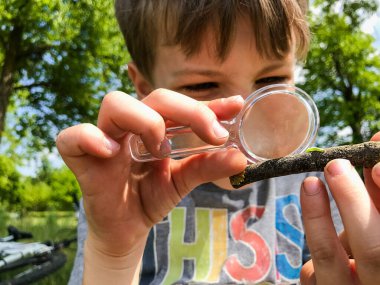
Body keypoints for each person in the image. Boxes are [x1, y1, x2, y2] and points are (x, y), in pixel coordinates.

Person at [56, 1, 380, 284]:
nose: (245, 117)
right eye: (203, 84)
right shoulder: (121, 195)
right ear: (143, 86)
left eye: (271, 80)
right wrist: (113, 253)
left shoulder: (320, 190)